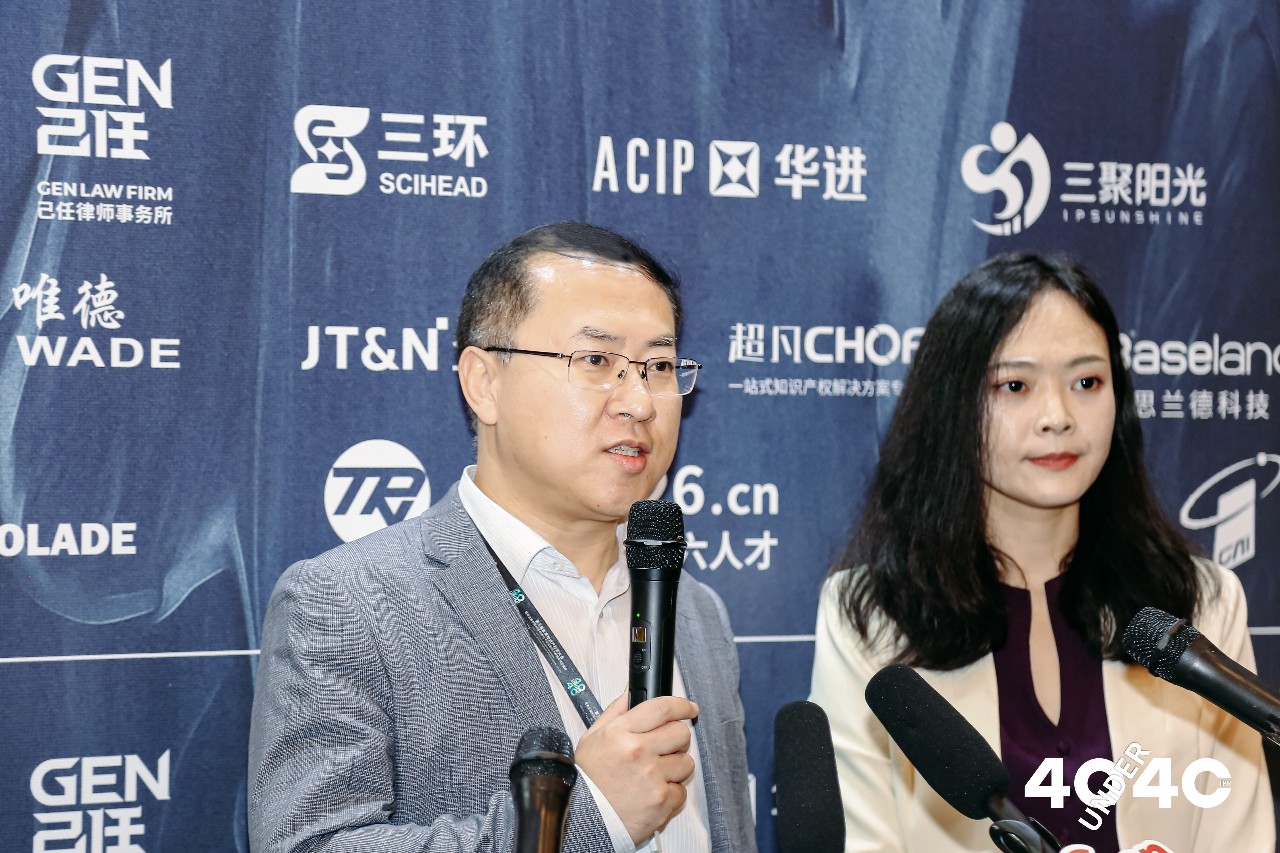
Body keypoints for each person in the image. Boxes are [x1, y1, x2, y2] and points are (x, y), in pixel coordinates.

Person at [248, 221, 756, 853]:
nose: (639, 402)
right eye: (596, 361)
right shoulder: (347, 603)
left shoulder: (698, 613)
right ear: (483, 383)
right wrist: (591, 816)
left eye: (658, 366)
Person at [809, 252, 1273, 852]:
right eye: (1015, 386)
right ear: (951, 404)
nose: (1057, 417)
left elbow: (1238, 837)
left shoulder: (1203, 603)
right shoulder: (868, 616)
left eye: (1087, 382)